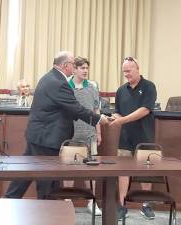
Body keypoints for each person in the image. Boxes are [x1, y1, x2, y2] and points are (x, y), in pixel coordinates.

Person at [5, 51, 109, 199]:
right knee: (46, 179)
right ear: (65, 65)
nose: (74, 67)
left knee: (27, 172)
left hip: (40, 136)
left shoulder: (49, 77)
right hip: (46, 138)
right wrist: (99, 119)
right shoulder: (58, 82)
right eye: (73, 64)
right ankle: (45, 210)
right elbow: (75, 107)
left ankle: (10, 200)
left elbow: (66, 108)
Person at [110, 57, 157, 220]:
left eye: (129, 71)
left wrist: (122, 119)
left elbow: (145, 110)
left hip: (145, 136)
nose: (126, 74)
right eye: (124, 72)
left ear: (137, 69)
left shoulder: (149, 86)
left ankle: (146, 205)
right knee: (123, 171)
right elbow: (117, 111)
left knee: (146, 170)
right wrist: (115, 118)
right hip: (125, 137)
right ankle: (122, 205)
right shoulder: (121, 90)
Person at [66, 56, 102, 216]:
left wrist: (98, 131)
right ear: (74, 69)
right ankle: (67, 201)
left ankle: (92, 202)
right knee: (69, 168)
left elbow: (96, 112)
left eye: (87, 68)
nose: (85, 70)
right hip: (71, 134)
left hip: (90, 134)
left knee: (92, 169)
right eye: (82, 68)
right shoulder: (66, 86)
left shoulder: (93, 87)